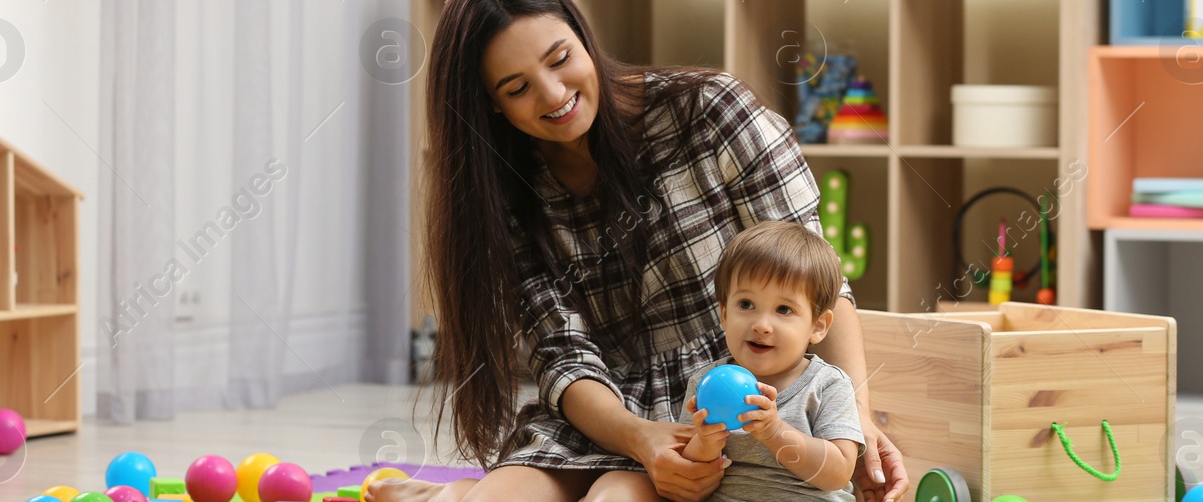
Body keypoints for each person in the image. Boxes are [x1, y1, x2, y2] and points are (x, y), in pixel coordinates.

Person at [369, 0, 907, 500]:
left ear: (585, 38)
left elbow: (819, 277)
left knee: (615, 497)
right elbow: (564, 357)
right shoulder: (503, 193)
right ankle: (455, 493)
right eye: (517, 89)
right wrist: (640, 438)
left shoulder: (712, 111)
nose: (554, 95)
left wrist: (856, 418)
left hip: (725, 412)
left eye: (560, 59)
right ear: (491, 104)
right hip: (603, 412)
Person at [672, 221, 866, 501]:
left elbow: (838, 473)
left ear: (818, 326)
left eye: (783, 309)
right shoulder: (707, 383)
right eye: (746, 305)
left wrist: (775, 431)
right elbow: (686, 479)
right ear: (724, 314)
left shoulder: (829, 385)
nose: (762, 325)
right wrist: (704, 443)